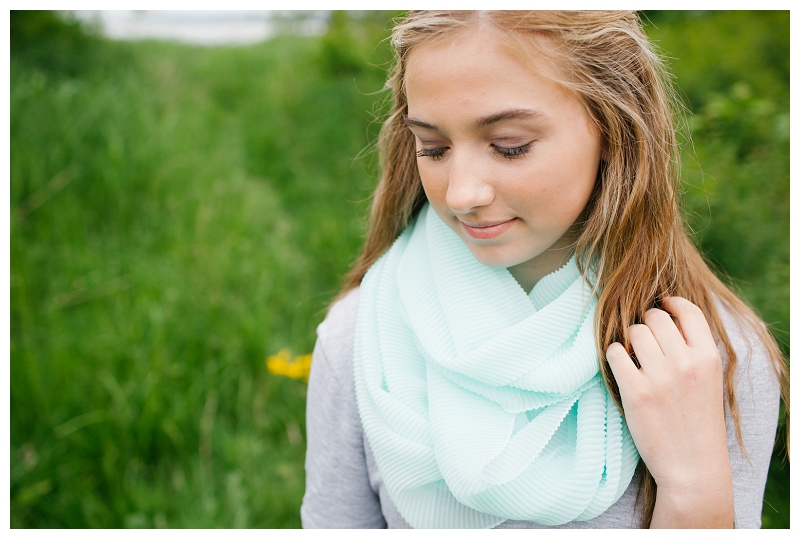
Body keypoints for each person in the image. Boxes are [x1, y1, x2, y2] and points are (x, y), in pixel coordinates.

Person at [301, 11, 788, 529]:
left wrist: (694, 493)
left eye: (510, 146)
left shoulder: (714, 361)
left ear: (614, 128)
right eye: (433, 148)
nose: (462, 193)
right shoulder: (359, 341)